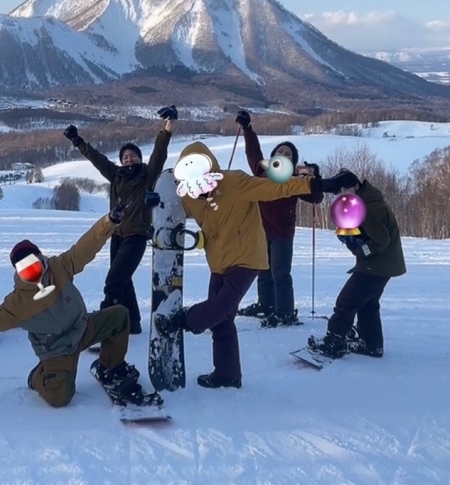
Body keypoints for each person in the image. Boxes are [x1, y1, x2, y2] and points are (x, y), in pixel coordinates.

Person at [150, 141, 335, 389]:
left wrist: (313, 184)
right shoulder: (191, 196)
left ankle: (182, 320)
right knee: (222, 322)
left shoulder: (235, 182)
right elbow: (172, 211)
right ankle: (227, 374)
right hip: (218, 261)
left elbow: (272, 188)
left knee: (220, 308)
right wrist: (154, 201)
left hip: (247, 258)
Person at [0, 207, 151, 408]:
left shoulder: (60, 267)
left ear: (41, 257)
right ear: (18, 272)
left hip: (83, 328)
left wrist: (109, 222)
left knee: (119, 315)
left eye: (34, 263)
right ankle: (37, 377)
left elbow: (87, 245)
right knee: (60, 398)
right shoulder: (16, 305)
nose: (32, 270)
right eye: (25, 269)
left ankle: (109, 366)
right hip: (57, 349)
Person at [62, 106, 176, 335]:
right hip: (116, 235)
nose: (128, 159)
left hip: (137, 236)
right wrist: (77, 140)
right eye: (125, 156)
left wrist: (167, 128)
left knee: (114, 282)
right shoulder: (115, 175)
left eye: (132, 155)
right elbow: (96, 158)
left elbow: (159, 153)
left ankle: (103, 329)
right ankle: (132, 323)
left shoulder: (147, 175)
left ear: (139, 158)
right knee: (124, 280)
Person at [234, 110, 325, 327]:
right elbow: (253, 153)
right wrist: (247, 128)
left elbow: (315, 198)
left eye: (288, 153)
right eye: (280, 151)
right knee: (262, 270)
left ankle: (284, 312)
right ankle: (266, 305)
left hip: (282, 234)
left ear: (293, 162)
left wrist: (315, 179)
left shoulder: (294, 180)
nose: (283, 153)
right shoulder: (262, 173)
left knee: (280, 273)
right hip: (261, 230)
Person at [307, 169, 406, 359]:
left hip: (377, 265)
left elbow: (380, 241)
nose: (341, 195)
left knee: (347, 301)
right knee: (367, 304)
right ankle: (371, 345)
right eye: (338, 192)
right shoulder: (364, 201)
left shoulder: (369, 206)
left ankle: (334, 342)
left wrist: (360, 248)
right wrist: (352, 240)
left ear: (353, 187)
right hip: (382, 265)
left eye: (343, 190)